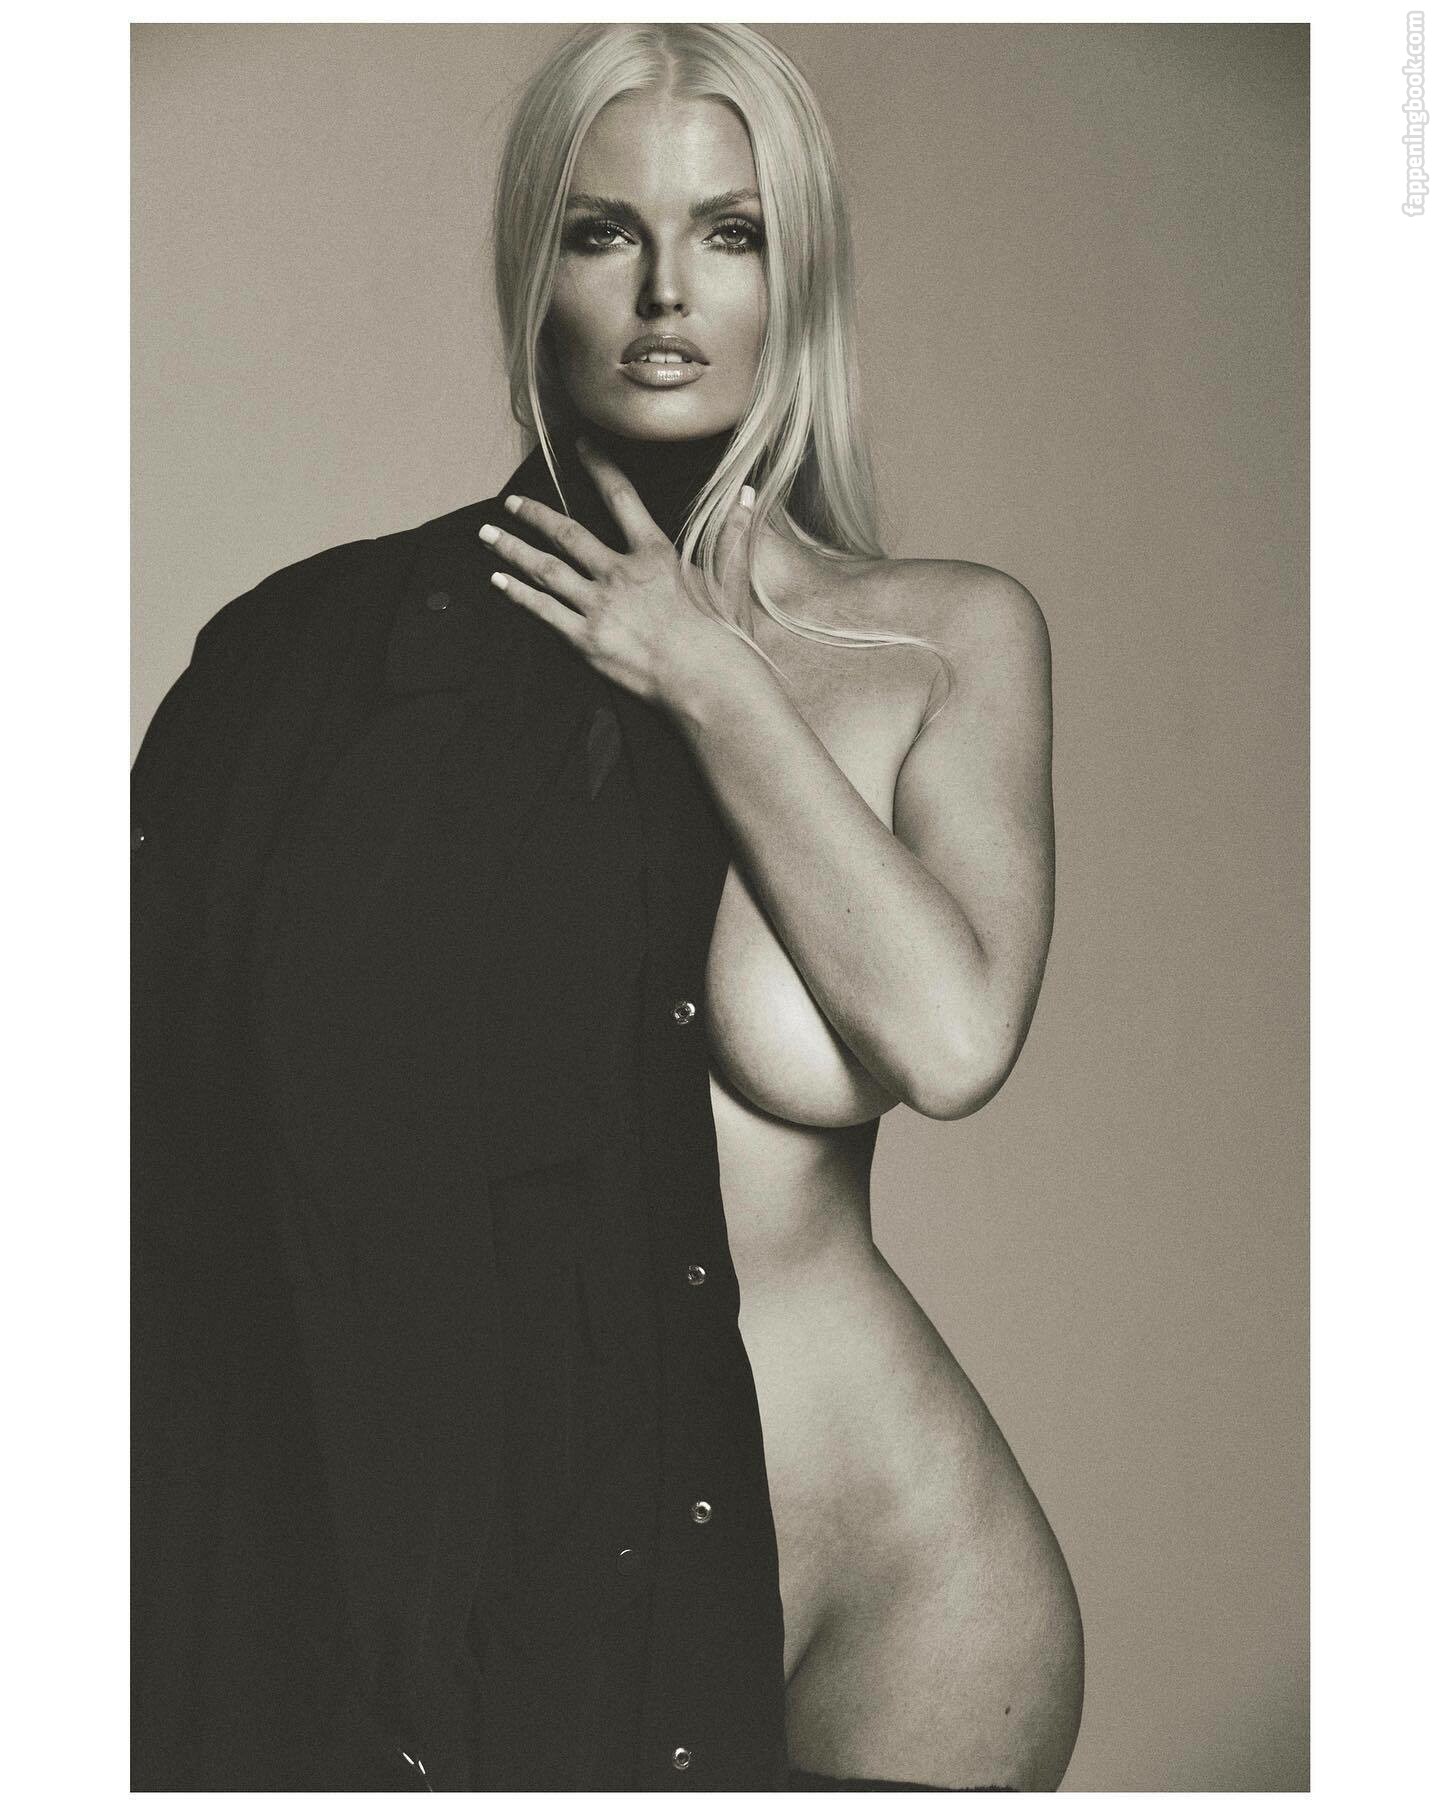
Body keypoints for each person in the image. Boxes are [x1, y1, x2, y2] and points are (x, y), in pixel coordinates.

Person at [131, 21, 1080, 1794]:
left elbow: (950, 1041)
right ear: (536, 270)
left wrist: (709, 676)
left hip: (906, 1577)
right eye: (603, 232)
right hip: (568, 1594)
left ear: (798, 275)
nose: (665, 293)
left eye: (730, 233)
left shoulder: (944, 640)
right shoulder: (350, 671)